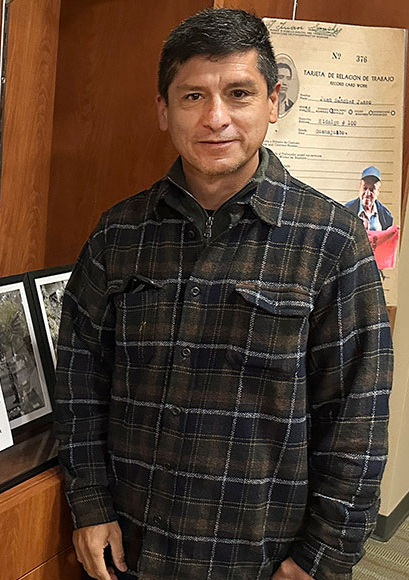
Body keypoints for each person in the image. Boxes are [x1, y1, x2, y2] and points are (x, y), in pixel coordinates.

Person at [55, 9, 391, 580]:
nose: (216, 118)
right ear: (163, 110)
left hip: (263, 561)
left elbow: (357, 420)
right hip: (134, 551)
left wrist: (321, 560)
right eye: (192, 97)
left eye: (239, 93)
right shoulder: (119, 234)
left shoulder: (332, 241)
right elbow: (80, 380)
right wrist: (90, 504)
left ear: (273, 102)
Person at [345, 166, 393, 232]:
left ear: (378, 191)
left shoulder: (385, 215)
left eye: (372, 189)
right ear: (359, 188)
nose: (367, 193)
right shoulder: (347, 210)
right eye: (365, 188)